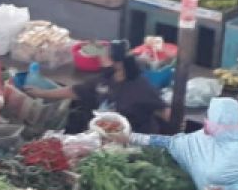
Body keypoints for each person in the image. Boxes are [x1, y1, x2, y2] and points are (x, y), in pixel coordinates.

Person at [25, 40, 168, 134]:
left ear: (118, 64)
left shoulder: (140, 87)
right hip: (103, 134)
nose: (100, 58)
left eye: (104, 56)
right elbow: (73, 91)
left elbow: (163, 110)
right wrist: (41, 93)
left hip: (131, 140)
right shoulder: (107, 77)